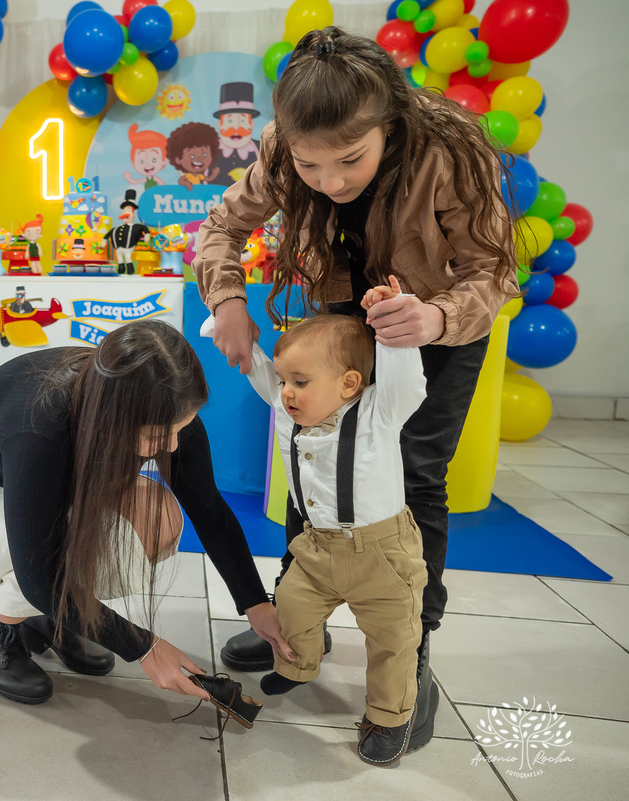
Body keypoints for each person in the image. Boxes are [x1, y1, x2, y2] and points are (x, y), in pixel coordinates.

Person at [192, 26, 519, 753]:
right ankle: (295, 623)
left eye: (350, 160)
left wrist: (434, 316)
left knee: (415, 476)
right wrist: (228, 303)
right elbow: (219, 227)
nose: (331, 183)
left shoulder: (448, 148)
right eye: (310, 165)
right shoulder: (281, 148)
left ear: (389, 125)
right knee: (309, 458)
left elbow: (492, 273)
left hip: (434, 324)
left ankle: (413, 644)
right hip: (341, 318)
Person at [0, 320, 293, 708]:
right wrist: (145, 648)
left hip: (21, 480)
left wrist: (256, 604)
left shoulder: (163, 406)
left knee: (158, 518)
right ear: (114, 417)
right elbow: (38, 575)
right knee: (72, 559)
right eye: (160, 435)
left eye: (181, 428)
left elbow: (209, 511)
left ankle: (48, 619)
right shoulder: (41, 418)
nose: (172, 446)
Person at [241, 297, 428, 766]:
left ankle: (389, 718)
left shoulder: (379, 414)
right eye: (285, 381)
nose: (286, 392)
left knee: (393, 640)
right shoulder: (291, 413)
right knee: (293, 604)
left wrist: (391, 327)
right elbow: (261, 372)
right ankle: (297, 665)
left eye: (300, 382)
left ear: (349, 384)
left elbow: (407, 381)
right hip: (317, 548)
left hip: (382, 553)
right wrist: (241, 342)